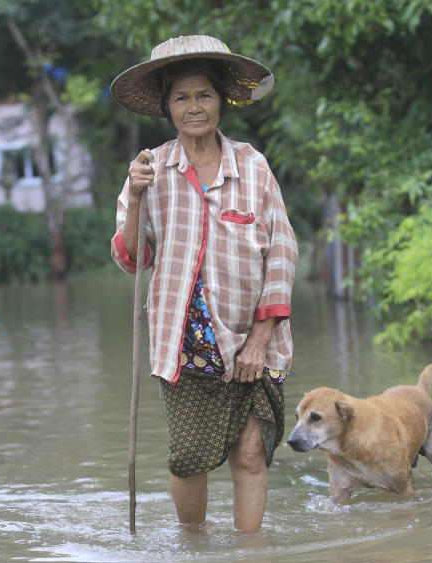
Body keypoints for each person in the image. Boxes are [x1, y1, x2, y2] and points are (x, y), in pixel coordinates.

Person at [109, 35, 298, 532]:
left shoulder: (252, 167)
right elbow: (132, 258)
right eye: (182, 97)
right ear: (168, 107)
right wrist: (134, 193)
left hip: (252, 338)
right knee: (189, 459)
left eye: (204, 95)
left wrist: (259, 340)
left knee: (251, 454)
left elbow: (282, 252)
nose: (194, 107)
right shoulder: (150, 170)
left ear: (222, 101)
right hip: (184, 337)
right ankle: (194, 552)